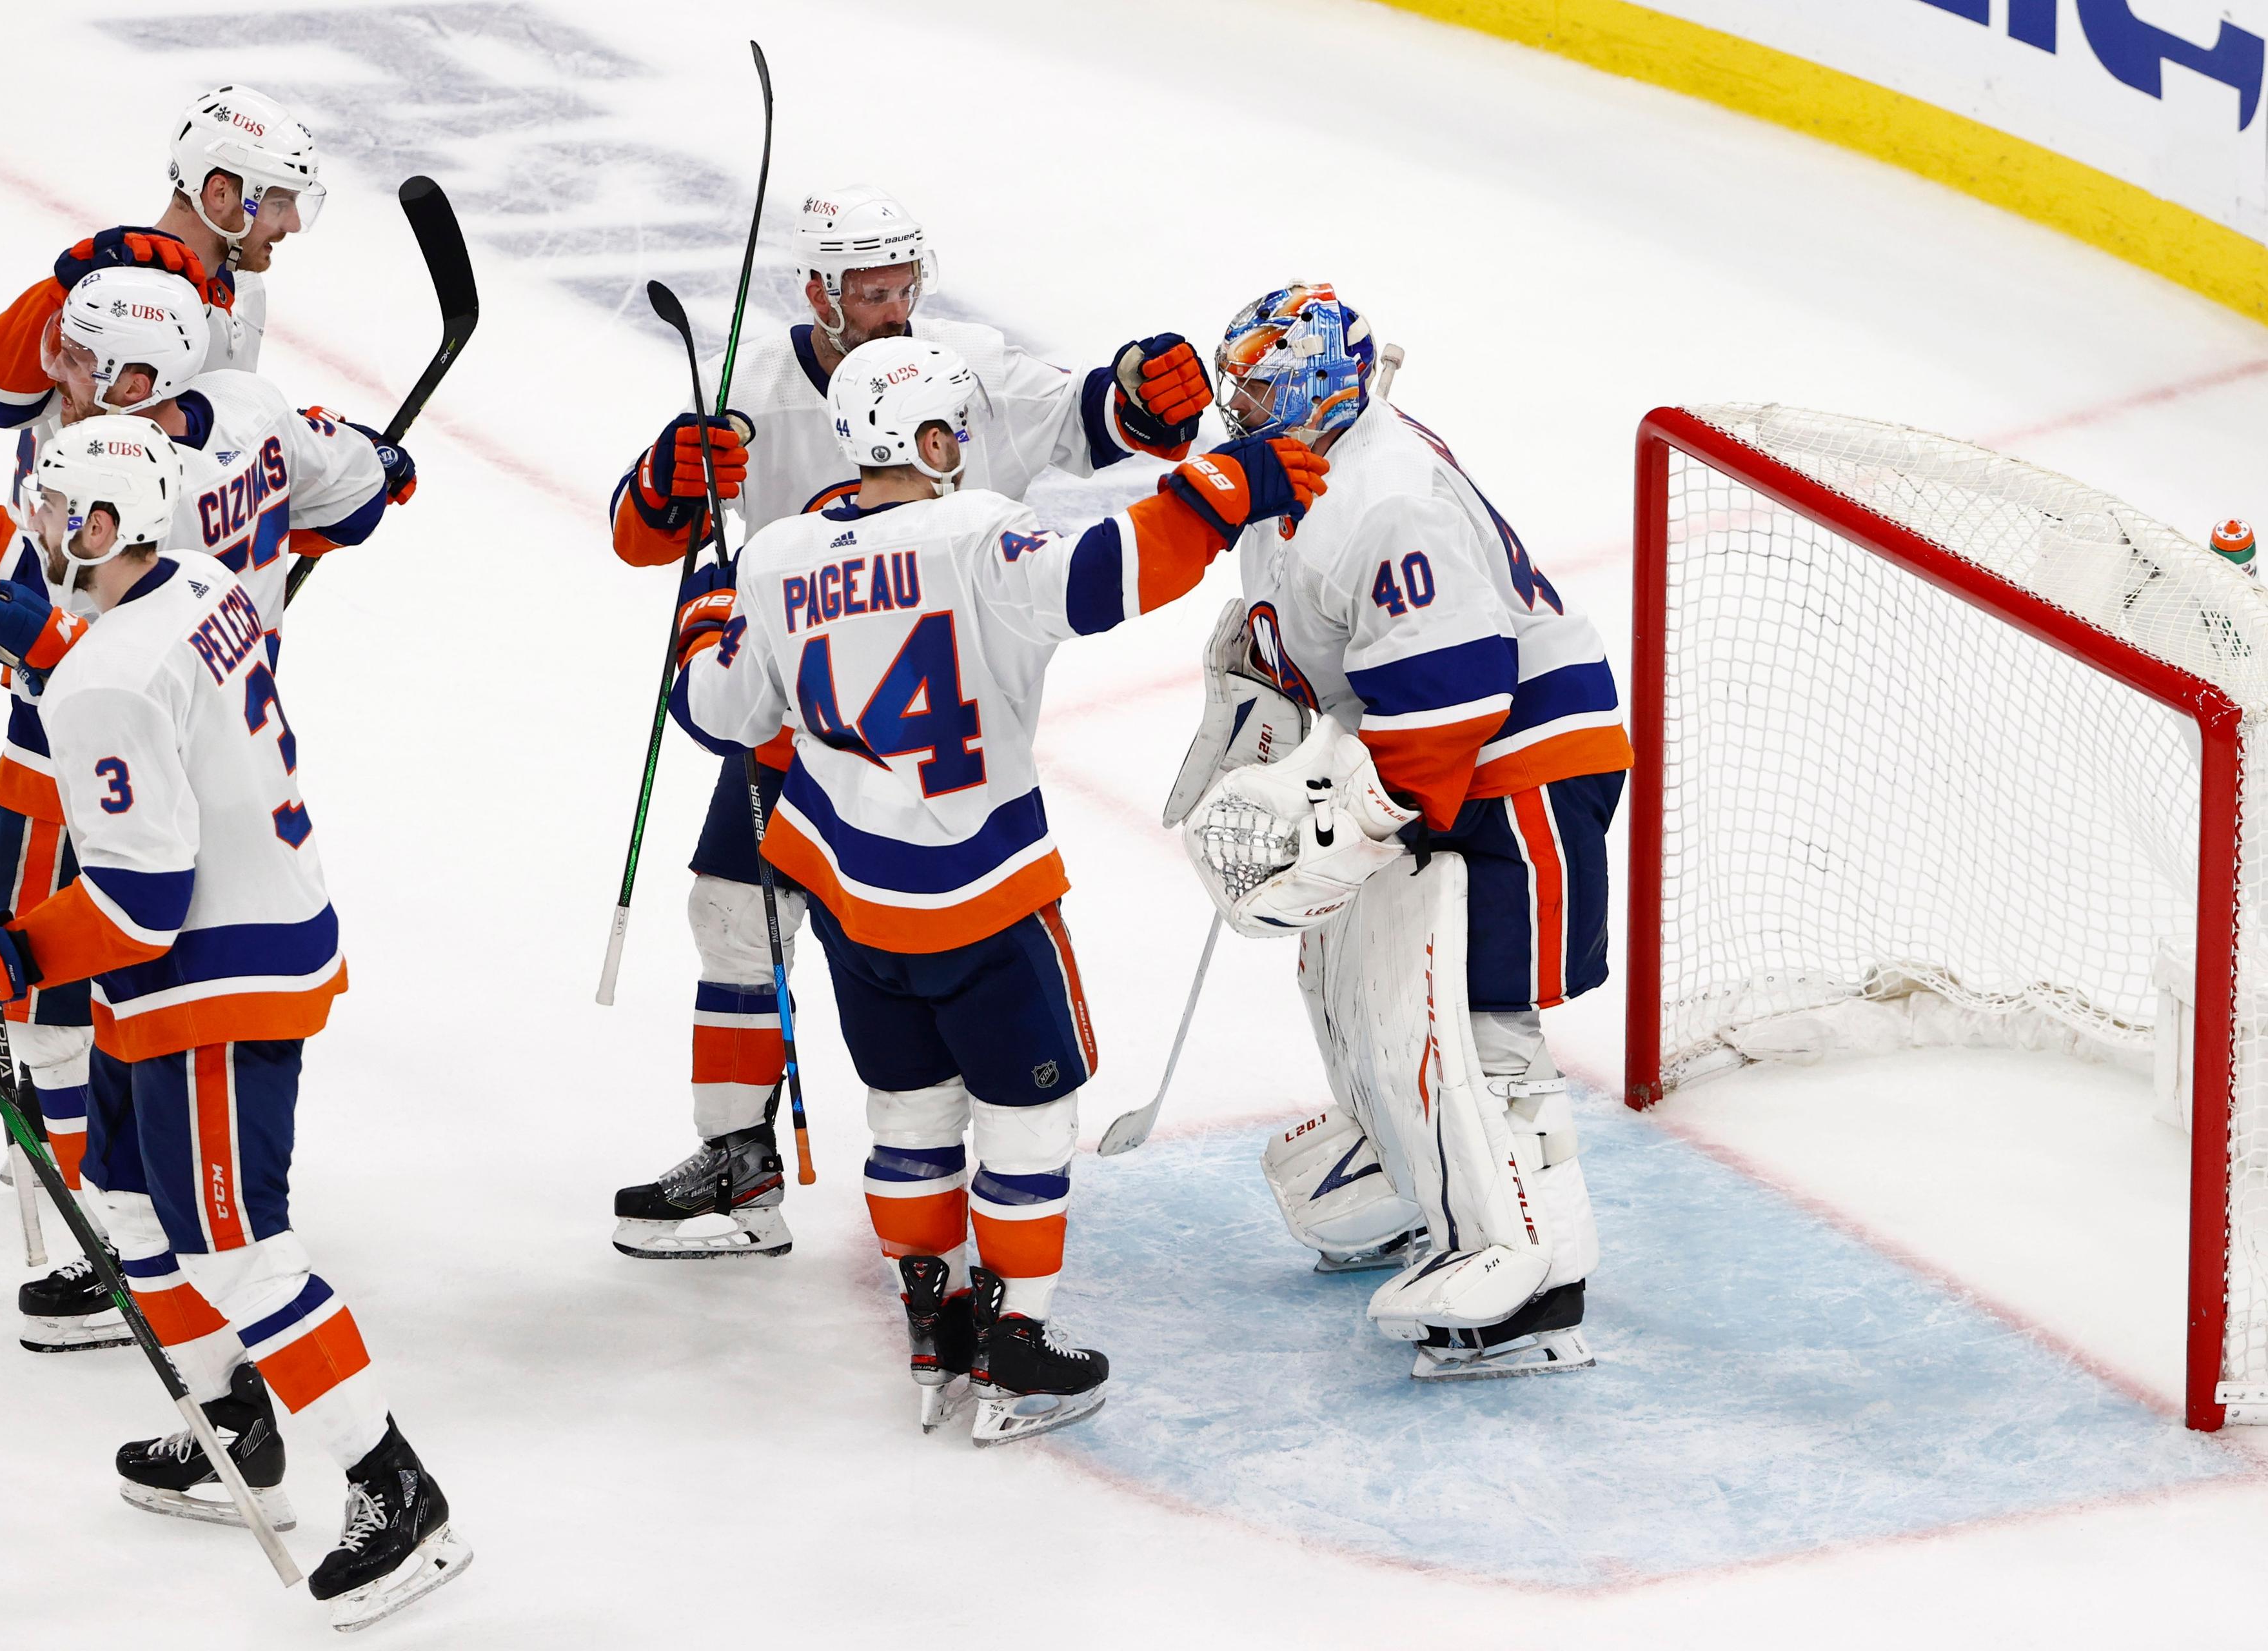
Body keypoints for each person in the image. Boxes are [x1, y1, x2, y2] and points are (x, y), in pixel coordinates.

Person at [673, 335, 1326, 1441]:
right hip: (982, 895)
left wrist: (704, 594)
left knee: (908, 1110)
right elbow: (1107, 575)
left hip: (853, 911)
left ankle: (932, 1322)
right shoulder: (972, 532)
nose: (966, 453)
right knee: (1028, 1112)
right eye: (955, 435)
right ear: (928, 440)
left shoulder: (777, 559)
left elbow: (717, 710)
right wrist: (1232, 485)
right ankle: (1015, 1340)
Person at [0, 412, 469, 1630]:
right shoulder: (197, 580)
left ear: (106, 525)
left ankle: (395, 1489)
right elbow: (158, 719)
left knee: (236, 1244)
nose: (36, 526)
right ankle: (228, 1426)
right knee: (133, 1200)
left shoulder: (106, 672)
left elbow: (140, 904)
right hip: (227, 945)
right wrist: (47, 649)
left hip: (213, 975)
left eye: (53, 509)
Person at [607, 184, 1216, 1261]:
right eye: (868, 291)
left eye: (903, 286)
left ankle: (996, 1174)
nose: (893, 308)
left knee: (943, 961)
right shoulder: (752, 387)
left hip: (940, 731)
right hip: (803, 712)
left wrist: (1139, 390)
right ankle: (739, 1165)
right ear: (817, 291)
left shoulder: (960, 373)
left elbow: (1096, 420)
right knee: (732, 916)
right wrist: (671, 481)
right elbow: (640, 532)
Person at [0, 268, 407, 1352]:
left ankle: (108, 1239)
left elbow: (18, 619)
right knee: (114, 1012)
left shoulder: (124, 487)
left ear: (134, 374)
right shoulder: (247, 411)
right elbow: (371, 486)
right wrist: (347, 489)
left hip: (106, 756)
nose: (49, 375)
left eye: (74, 359)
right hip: (226, 747)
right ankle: (135, 1229)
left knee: (62, 998)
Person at [1170, 283, 1630, 1379]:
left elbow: (1457, 692)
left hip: (1521, 770)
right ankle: (1415, 1171)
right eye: (1240, 384)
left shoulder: (1389, 501)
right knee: (1363, 978)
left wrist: (1359, 817)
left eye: (1263, 387)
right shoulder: (1307, 480)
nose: (1241, 406)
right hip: (1440, 758)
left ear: (1325, 388)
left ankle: (1539, 1280)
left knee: (1480, 1024)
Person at [0, 84, 324, 462]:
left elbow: (219, 440)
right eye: (279, 203)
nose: (292, 223)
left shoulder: (246, 288)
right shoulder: (113, 296)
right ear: (220, 194)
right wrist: (67, 287)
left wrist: (322, 448)